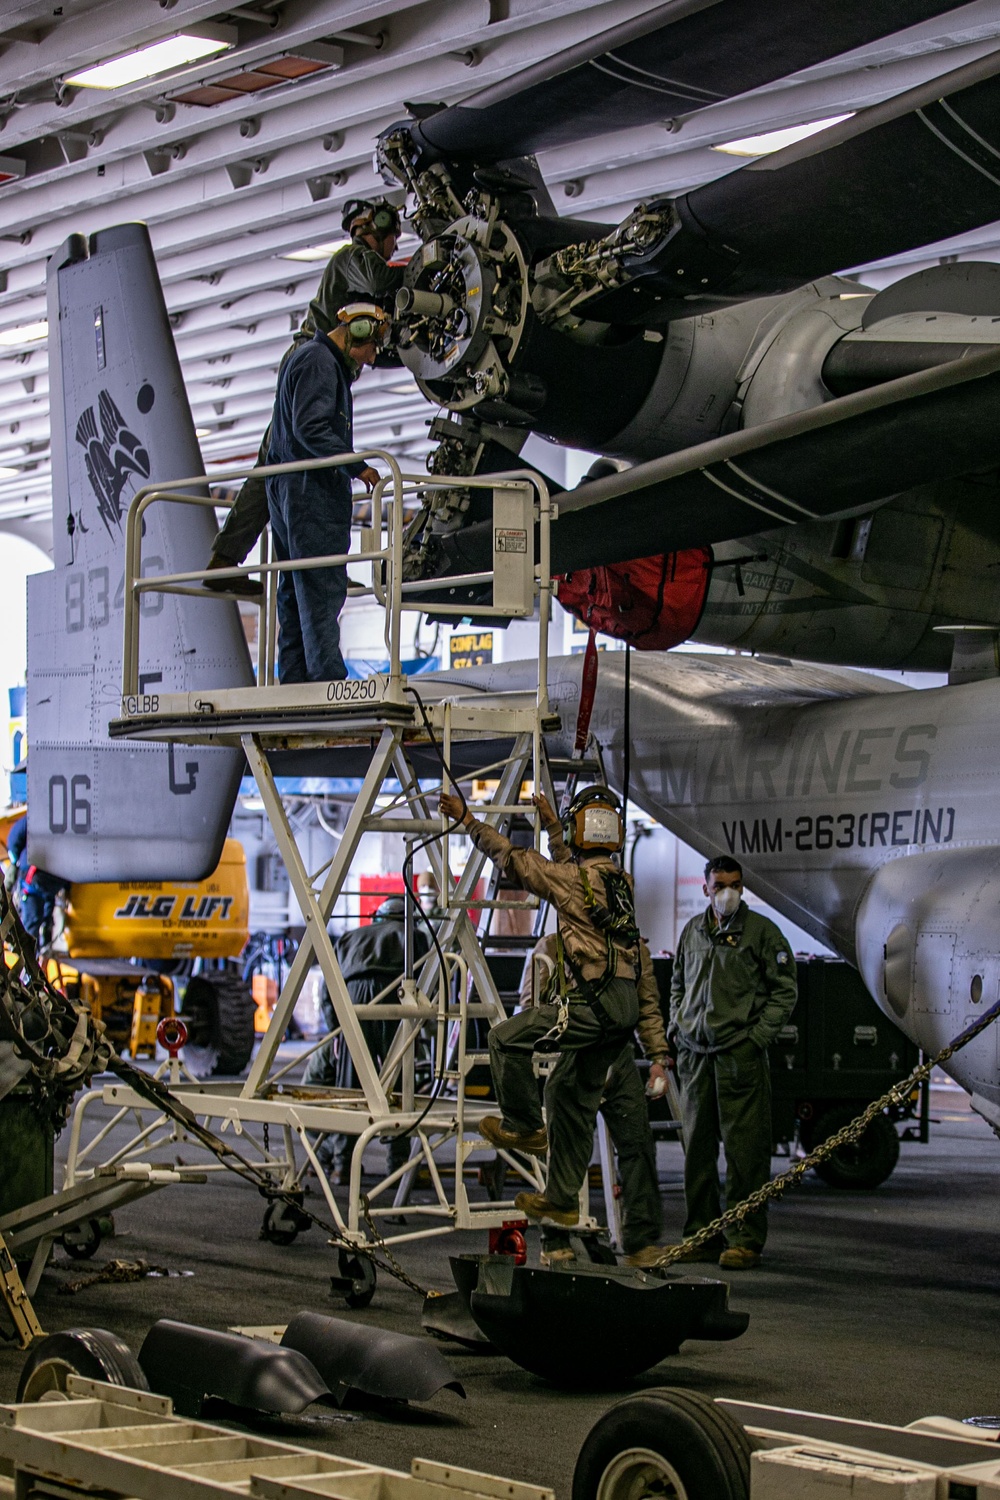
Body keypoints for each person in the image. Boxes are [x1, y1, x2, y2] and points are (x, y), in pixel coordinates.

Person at [438, 783, 642, 1229]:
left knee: (505, 1038)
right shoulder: (618, 882)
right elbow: (572, 872)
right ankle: (563, 1199)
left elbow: (514, 860)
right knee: (566, 1095)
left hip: (595, 1004)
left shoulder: (575, 881)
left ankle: (524, 1125)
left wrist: (467, 820)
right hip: (622, 1010)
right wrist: (552, 824)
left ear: (579, 831)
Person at [204, 199, 403, 597]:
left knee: (279, 466)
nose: (394, 248)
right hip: (314, 364)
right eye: (394, 240)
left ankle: (235, 562)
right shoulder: (353, 258)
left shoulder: (353, 280)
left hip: (322, 367)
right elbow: (382, 280)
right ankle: (301, 566)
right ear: (377, 230)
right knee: (303, 465)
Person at [669, 855, 798, 1270]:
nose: (728, 892)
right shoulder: (693, 931)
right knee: (697, 1154)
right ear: (705, 887)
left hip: (738, 1057)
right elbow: (677, 984)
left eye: (735, 884)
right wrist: (678, 1028)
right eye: (720, 884)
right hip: (695, 1057)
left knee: (745, 1155)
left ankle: (744, 1239)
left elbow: (785, 992)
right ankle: (702, 1236)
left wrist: (757, 1038)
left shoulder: (761, 933)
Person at [521, 928, 671, 1268]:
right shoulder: (551, 947)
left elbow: (647, 1006)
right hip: (573, 1054)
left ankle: (641, 1243)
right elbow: (531, 1007)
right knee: (566, 1152)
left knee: (638, 1146)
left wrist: (658, 1057)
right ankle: (555, 1238)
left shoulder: (632, 947)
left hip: (618, 1056)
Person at [266, 301, 389, 683]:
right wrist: (358, 466)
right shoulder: (320, 362)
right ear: (360, 331)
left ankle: (295, 683)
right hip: (310, 493)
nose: (370, 358)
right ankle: (327, 684)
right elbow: (312, 429)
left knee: (295, 592)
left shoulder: (305, 358)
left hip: (290, 490)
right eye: (373, 346)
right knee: (320, 592)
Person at [304, 895, 430, 1183]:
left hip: (353, 1000)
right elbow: (429, 983)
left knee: (350, 1083)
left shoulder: (350, 937)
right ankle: (397, 1166)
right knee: (399, 1082)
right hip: (396, 997)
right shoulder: (416, 936)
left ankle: (342, 1164)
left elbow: (328, 989)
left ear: (378, 917)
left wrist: (337, 1028)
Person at [4, 814, 66, 948]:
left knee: (42, 924)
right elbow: (15, 837)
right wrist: (14, 863)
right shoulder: (39, 815)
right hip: (37, 880)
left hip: (48, 882)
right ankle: (28, 963)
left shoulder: (45, 814)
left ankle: (36, 955)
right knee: (33, 925)